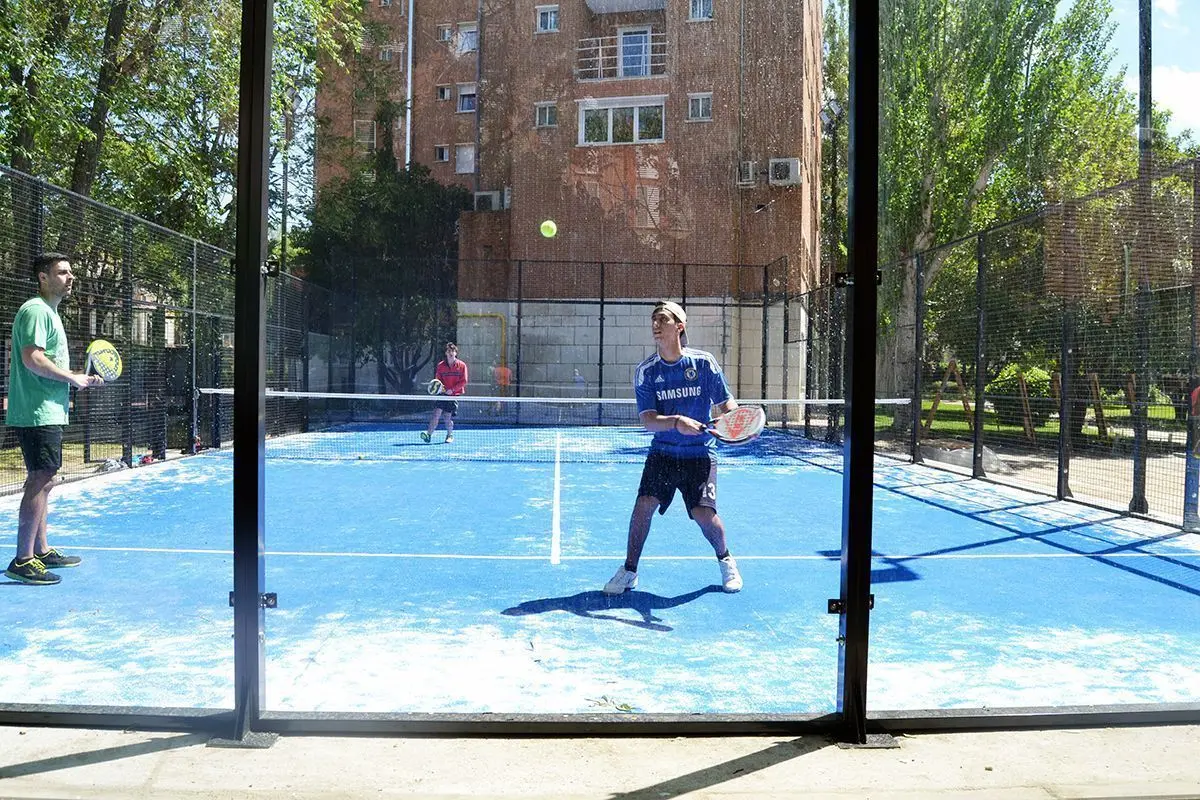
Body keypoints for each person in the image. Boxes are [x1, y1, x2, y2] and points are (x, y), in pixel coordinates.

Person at [603, 300, 743, 595]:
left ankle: (726, 560)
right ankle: (629, 570)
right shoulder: (647, 371)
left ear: (679, 326)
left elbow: (727, 404)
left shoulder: (703, 363)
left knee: (704, 515)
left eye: (662, 319)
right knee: (643, 506)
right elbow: (648, 420)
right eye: (653, 320)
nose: (655, 325)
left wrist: (736, 422)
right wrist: (677, 422)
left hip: (700, 454)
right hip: (663, 453)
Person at [5, 253, 105, 585]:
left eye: (71, 271)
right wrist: (72, 378)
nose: (70, 276)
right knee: (41, 478)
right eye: (62, 272)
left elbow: (48, 364)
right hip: (37, 410)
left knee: (46, 479)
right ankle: (23, 560)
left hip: (47, 409)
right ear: (43, 278)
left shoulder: (51, 313)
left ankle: (41, 550)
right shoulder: (35, 310)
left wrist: (80, 378)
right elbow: (32, 359)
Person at [422, 342, 468, 444]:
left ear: (456, 353)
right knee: (436, 414)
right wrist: (442, 389)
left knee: (447, 417)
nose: (451, 353)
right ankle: (428, 435)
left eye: (453, 351)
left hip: (453, 396)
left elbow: (464, 381)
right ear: (446, 353)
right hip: (442, 395)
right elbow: (438, 380)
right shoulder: (440, 366)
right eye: (448, 351)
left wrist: (452, 390)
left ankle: (449, 435)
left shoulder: (462, 366)